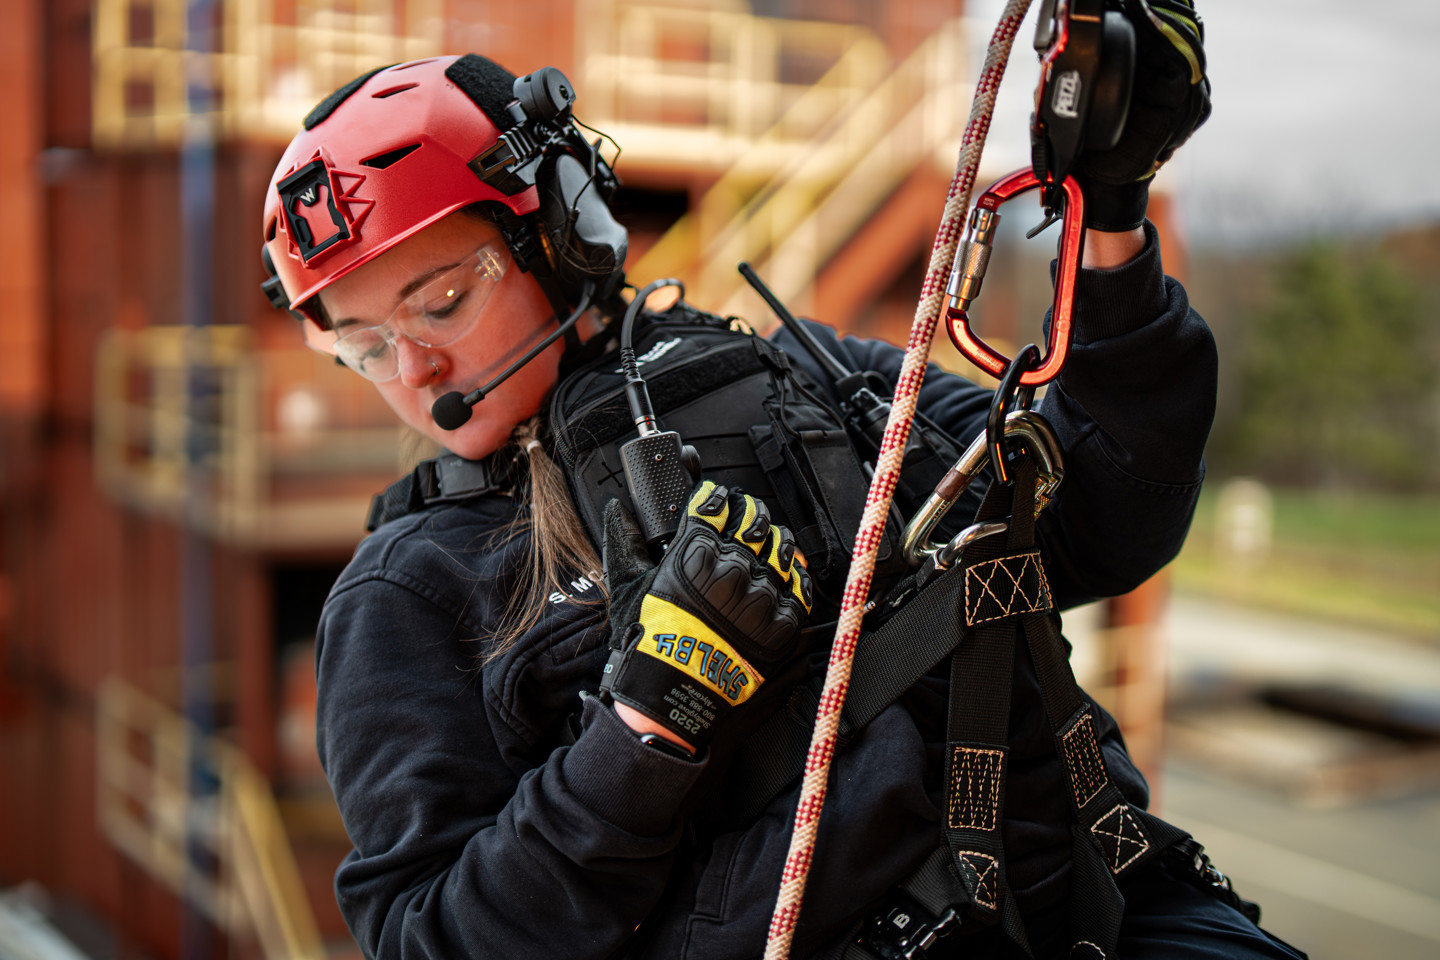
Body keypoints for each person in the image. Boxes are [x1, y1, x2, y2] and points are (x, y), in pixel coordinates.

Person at [259, 8, 1307, 959]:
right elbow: (434, 940)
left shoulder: (817, 379)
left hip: (1110, 908)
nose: (413, 371)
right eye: (362, 346)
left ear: (562, 225)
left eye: (440, 301)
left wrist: (1110, 221)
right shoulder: (409, 593)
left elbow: (1109, 514)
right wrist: (646, 725)